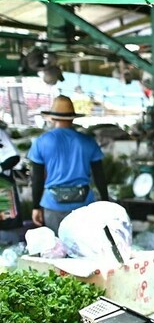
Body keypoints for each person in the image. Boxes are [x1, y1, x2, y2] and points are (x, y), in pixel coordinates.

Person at [29, 95, 108, 233]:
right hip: (83, 205)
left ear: (52, 118)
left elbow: (37, 178)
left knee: (56, 245)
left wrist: (36, 207)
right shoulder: (88, 141)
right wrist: (105, 202)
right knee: (83, 244)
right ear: (72, 118)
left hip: (53, 205)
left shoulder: (41, 141)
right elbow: (99, 176)